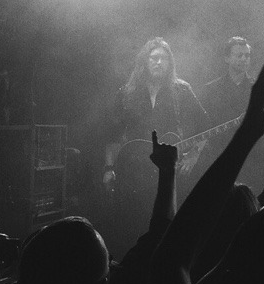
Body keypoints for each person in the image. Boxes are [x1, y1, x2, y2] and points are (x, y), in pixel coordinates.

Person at [104, 38, 209, 203]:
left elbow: (204, 124)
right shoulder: (126, 93)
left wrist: (194, 155)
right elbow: (113, 136)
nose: (159, 62)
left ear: (170, 63)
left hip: (169, 171)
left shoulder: (181, 90)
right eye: (154, 58)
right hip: (133, 172)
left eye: (164, 58)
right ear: (145, 62)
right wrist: (109, 168)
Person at [201, 37, 254, 122]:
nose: (244, 59)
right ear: (227, 58)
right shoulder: (211, 90)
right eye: (239, 55)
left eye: (247, 55)